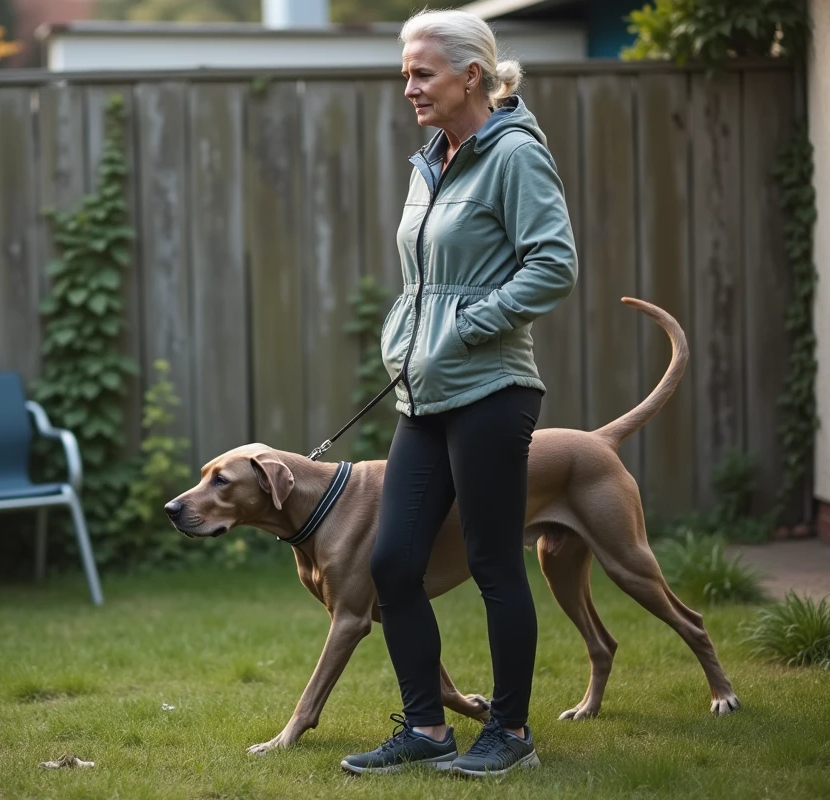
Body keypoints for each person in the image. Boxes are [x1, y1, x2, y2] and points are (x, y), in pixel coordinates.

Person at [339, 8, 578, 779]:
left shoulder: (513, 155)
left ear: (470, 75)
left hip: (493, 388)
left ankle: (509, 734)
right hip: (426, 393)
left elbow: (554, 264)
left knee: (492, 562)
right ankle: (427, 729)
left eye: (422, 73)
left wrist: (471, 324)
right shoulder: (433, 159)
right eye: (406, 72)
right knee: (394, 563)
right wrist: (404, 336)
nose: (408, 86)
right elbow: (426, 279)